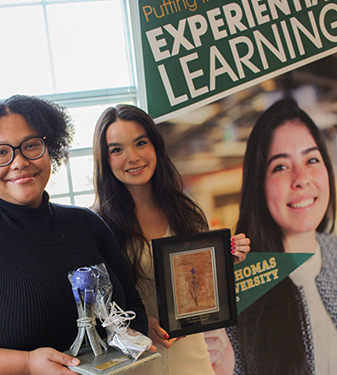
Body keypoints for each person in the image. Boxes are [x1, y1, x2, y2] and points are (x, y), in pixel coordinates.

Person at [0, 95, 149, 375]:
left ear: (49, 149)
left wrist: (132, 344)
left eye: (31, 146)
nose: (19, 162)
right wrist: (26, 364)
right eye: (1, 152)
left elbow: (133, 306)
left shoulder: (88, 224)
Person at [92, 104, 251, 375]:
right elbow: (96, 311)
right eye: (117, 150)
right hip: (138, 365)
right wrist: (137, 325)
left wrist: (225, 262)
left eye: (140, 143)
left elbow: (200, 289)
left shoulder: (186, 212)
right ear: (105, 160)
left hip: (192, 361)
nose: (132, 157)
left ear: (155, 146)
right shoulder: (97, 225)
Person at [227, 98, 337, 374]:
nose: (301, 178)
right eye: (281, 166)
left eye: (312, 159)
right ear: (259, 185)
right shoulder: (239, 287)